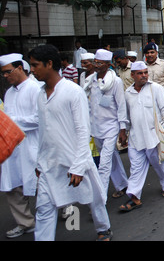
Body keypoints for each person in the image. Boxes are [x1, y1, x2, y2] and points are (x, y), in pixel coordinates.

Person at [28, 44, 113, 241]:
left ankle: (103, 228)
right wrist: (39, 162)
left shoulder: (73, 92)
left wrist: (78, 166)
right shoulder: (40, 95)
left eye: (35, 65)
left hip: (76, 160)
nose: (32, 70)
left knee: (94, 199)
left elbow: (84, 130)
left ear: (49, 64)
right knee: (44, 209)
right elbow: (43, 131)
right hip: (49, 164)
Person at [119, 61, 164, 212]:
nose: (143, 76)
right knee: (136, 168)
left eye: (145, 72)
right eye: (140, 73)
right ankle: (134, 196)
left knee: (158, 163)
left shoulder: (155, 88)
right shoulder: (128, 93)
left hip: (153, 136)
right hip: (136, 137)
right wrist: (123, 132)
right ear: (132, 75)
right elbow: (127, 116)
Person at [0, 54, 40, 239]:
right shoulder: (8, 93)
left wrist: (13, 122)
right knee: (13, 187)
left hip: (32, 145)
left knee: (44, 184)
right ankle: (26, 223)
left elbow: (39, 119)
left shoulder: (35, 88)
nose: (6, 76)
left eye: (8, 72)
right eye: (3, 74)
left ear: (20, 68)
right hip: (12, 149)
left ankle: (65, 207)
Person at [86, 49, 129, 199]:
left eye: (99, 63)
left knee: (104, 165)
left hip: (111, 127)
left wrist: (122, 129)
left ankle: (99, 199)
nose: (96, 65)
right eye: (95, 62)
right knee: (112, 158)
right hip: (96, 128)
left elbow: (121, 105)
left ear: (108, 64)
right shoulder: (91, 80)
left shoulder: (115, 81)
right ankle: (122, 184)